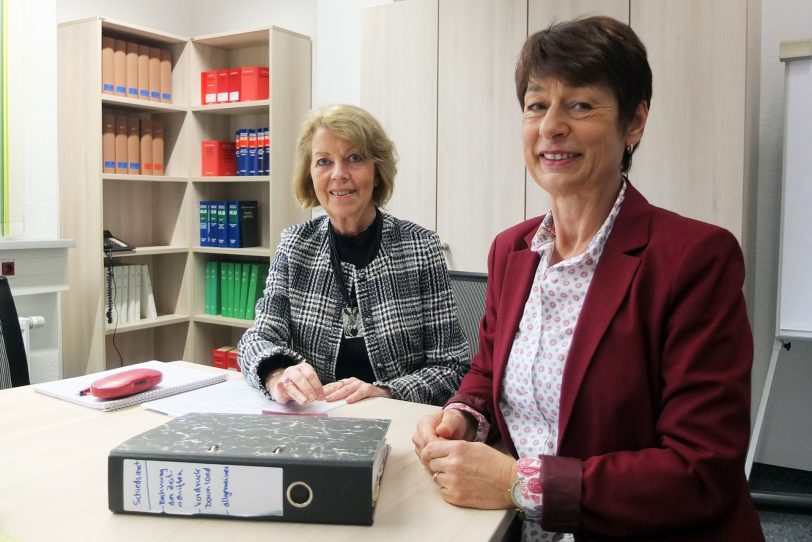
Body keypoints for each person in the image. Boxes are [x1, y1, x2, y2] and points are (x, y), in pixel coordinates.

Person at [412, 16, 763, 541]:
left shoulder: (694, 258)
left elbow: (700, 468)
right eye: (536, 105)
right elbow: (486, 373)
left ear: (634, 123)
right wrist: (463, 415)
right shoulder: (513, 251)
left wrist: (517, 482)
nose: (551, 126)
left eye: (580, 105)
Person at [238, 104, 469, 407]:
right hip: (316, 422)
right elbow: (256, 340)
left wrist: (387, 392)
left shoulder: (420, 248)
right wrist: (278, 374)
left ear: (377, 172)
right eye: (324, 161)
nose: (338, 174)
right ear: (310, 175)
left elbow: (453, 368)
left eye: (354, 158)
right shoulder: (295, 246)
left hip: (398, 423)